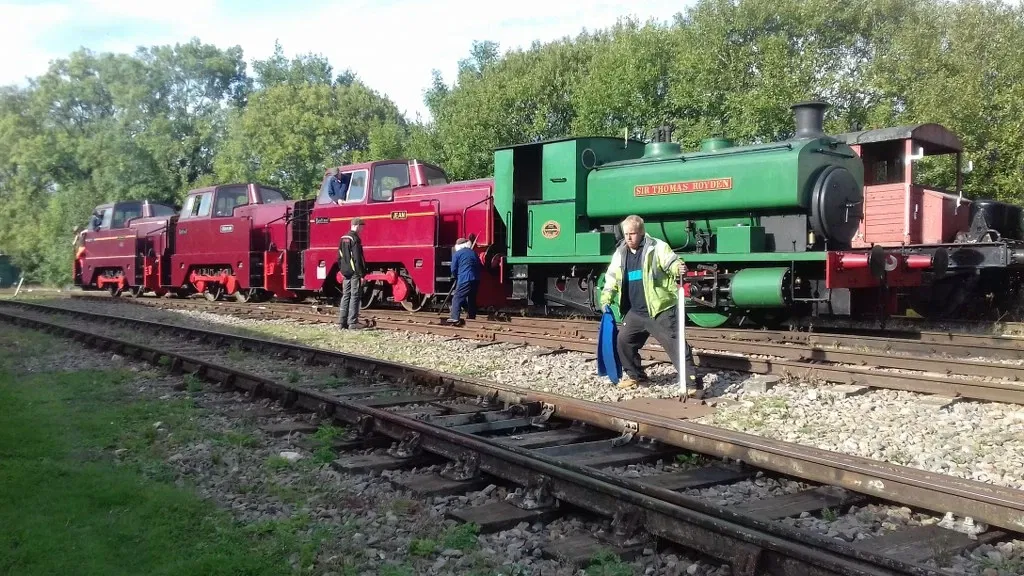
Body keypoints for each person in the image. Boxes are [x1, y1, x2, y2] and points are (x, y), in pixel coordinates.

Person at [599, 214, 703, 394]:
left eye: (632, 234)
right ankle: (636, 376)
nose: (628, 238)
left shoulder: (657, 247)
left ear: (641, 232)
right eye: (626, 234)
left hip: (659, 309)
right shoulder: (620, 252)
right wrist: (606, 298)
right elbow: (612, 278)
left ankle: (692, 384)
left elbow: (671, 262)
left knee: (676, 346)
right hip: (636, 312)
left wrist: (678, 267)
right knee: (623, 342)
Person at [337, 218, 366, 329]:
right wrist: (361, 274)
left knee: (346, 295)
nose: (362, 229)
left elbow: (339, 256)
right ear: (357, 225)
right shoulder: (355, 239)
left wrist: (343, 269)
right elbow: (357, 258)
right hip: (355, 273)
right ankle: (352, 322)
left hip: (345, 272)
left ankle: (341, 322)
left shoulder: (343, 238)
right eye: (362, 226)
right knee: (355, 296)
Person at [446, 237, 481, 324]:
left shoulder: (457, 254)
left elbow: (453, 268)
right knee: (472, 298)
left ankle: (455, 318)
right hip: (476, 279)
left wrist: (456, 276)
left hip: (464, 278)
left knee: (457, 298)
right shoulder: (473, 253)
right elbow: (479, 265)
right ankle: (472, 317)